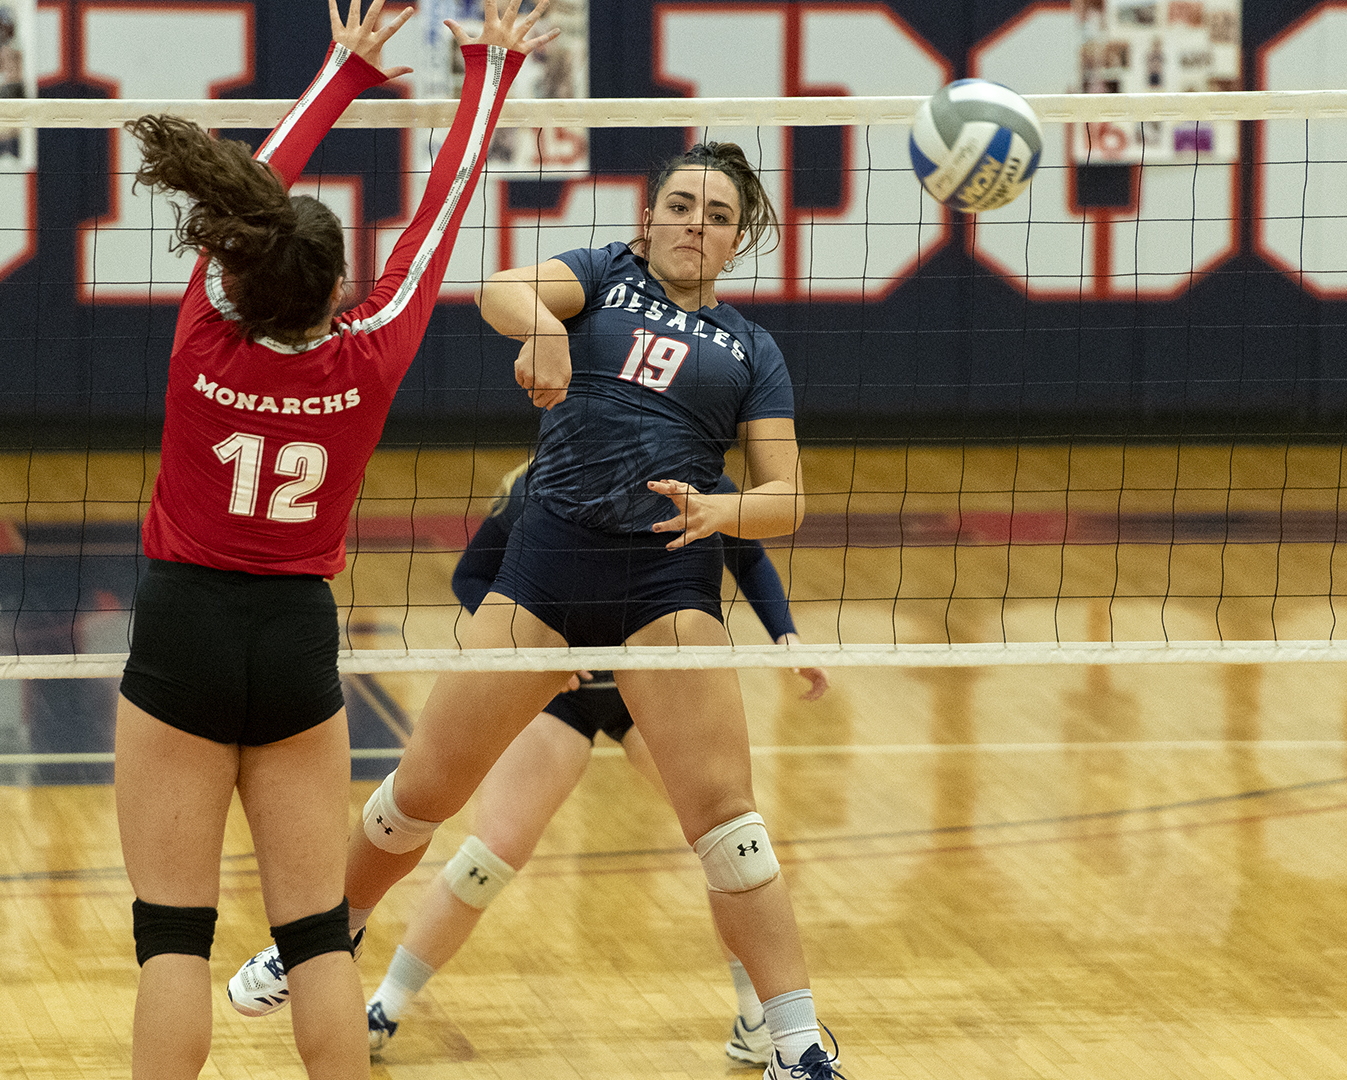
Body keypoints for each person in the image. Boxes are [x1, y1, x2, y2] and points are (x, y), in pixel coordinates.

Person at [230, 141, 847, 1078]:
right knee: (420, 795)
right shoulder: (600, 274)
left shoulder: (751, 350)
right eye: (682, 205)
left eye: (719, 216)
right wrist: (548, 331)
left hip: (666, 584)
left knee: (732, 830)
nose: (696, 224)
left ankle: (797, 1047)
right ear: (649, 216)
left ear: (739, 242)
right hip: (545, 570)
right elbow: (498, 289)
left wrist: (725, 513)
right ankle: (319, 939)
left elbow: (787, 497)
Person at [110, 3, 551, 1078]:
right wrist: (489, 68)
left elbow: (245, 189)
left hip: (181, 626)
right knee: (315, 940)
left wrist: (343, 70)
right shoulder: (370, 354)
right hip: (295, 637)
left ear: (233, 270)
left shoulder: (203, 332)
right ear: (340, 286)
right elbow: (443, 208)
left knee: (173, 939)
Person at [226, 462, 830, 1066]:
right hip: (561, 692)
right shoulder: (547, 483)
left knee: (726, 849)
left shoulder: (697, 475)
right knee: (489, 857)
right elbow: (472, 575)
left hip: (654, 689)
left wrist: (787, 636)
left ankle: (759, 1020)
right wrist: (534, 651)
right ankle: (386, 1006)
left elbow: (748, 556)